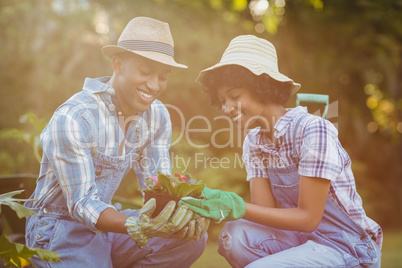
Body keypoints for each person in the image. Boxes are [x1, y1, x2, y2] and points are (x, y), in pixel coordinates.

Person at [180, 35, 382, 267]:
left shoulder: (313, 129)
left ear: (262, 87)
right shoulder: (254, 141)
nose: (226, 108)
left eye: (234, 96)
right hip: (300, 240)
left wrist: (236, 205)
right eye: (221, 100)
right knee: (232, 237)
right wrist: (218, 203)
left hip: (346, 246)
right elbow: (265, 214)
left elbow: (308, 219)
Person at [24, 17, 208, 267]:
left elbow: (157, 185)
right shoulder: (75, 118)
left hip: (107, 224)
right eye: (145, 72)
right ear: (118, 65)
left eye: (163, 76)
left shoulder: (157, 115)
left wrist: (180, 215)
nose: (154, 86)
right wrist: (134, 225)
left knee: (190, 240)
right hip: (59, 228)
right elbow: (82, 203)